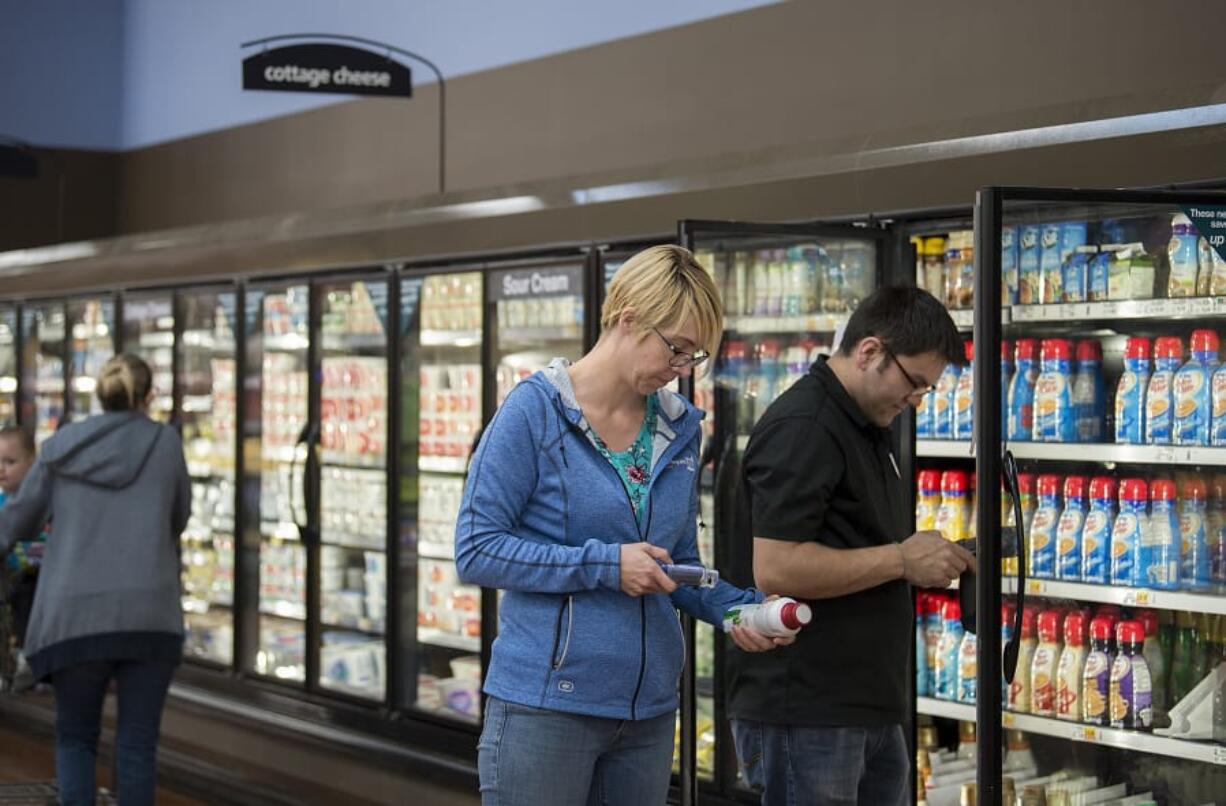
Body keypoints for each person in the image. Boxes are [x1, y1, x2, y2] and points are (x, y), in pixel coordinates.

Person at [456, 245, 792, 805]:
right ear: (628, 317)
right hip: (547, 707)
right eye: (676, 349)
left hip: (648, 715)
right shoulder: (533, 412)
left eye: (694, 357)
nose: (681, 369)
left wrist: (739, 610)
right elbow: (476, 549)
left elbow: (676, 561)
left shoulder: (680, 430)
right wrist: (606, 564)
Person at [726, 285, 973, 806]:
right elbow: (776, 567)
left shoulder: (862, 422)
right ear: (869, 352)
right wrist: (903, 559)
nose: (915, 401)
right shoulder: (807, 426)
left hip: (863, 709)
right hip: (809, 712)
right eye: (915, 384)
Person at [0, 354, 191, 806]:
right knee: (138, 746)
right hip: (150, 615)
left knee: (76, 738)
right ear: (149, 397)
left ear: (99, 394)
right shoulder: (166, 444)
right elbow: (178, 518)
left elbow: (18, 522)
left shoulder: (62, 447)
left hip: (75, 616)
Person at [0, 425, 44, 685]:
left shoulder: (42, 500)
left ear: (32, 462)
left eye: (10, 462)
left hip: (38, 577)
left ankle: (28, 658)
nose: (2, 469)